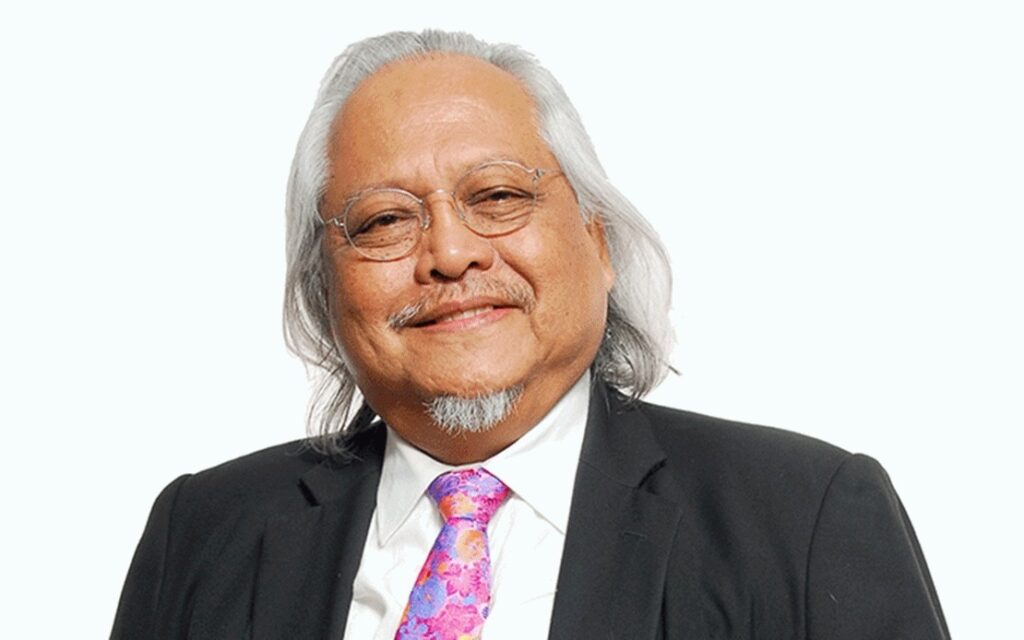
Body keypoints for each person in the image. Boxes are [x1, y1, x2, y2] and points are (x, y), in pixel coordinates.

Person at [111, 29, 949, 639]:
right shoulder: (203, 532)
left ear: (598, 242)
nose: (450, 254)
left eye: (499, 197)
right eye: (384, 220)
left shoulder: (805, 519)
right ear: (324, 287)